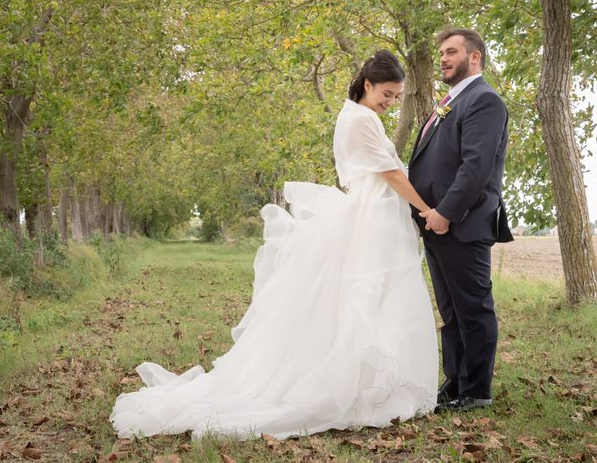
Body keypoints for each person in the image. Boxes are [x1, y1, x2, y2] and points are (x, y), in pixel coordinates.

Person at [110, 50, 438, 440]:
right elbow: (387, 172)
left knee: (359, 299)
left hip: (371, 212)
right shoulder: (362, 118)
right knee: (364, 296)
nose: (390, 102)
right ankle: (354, 386)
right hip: (371, 214)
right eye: (387, 93)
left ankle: (369, 384)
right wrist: (426, 208)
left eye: (397, 97)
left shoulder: (353, 114)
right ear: (367, 85)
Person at [408, 28, 513, 413]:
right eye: (441, 54)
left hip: (461, 225)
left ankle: (476, 391)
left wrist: (446, 213)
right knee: (451, 313)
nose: (443, 59)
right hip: (436, 225)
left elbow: (476, 167)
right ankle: (455, 384)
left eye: (452, 52)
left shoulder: (484, 101)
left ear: (475, 58)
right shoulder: (451, 101)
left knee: (473, 309)